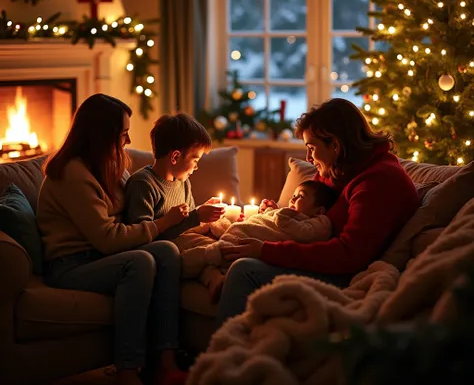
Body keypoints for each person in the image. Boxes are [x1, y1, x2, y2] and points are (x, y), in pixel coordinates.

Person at [216, 98, 420, 327]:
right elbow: (309, 218)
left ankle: (225, 355)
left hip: (345, 271)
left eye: (311, 148)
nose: (308, 158)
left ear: (335, 144)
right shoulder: (335, 170)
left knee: (245, 270)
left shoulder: (378, 181)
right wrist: (279, 213)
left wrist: (267, 251)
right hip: (319, 255)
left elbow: (349, 254)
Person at [37, 94, 189, 385]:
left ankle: (166, 360)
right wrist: (163, 223)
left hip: (97, 256)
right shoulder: (72, 173)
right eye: (123, 133)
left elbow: (127, 218)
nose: (128, 140)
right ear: (101, 134)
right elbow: (107, 238)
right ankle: (128, 369)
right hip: (69, 265)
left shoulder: (110, 165)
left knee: (167, 252)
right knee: (140, 261)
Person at [123, 113, 226, 302]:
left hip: (183, 244)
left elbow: (188, 225)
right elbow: (141, 237)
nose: (196, 167)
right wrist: (196, 216)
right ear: (175, 156)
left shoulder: (183, 183)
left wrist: (204, 215)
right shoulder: (142, 184)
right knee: (208, 249)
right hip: (160, 252)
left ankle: (214, 280)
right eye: (195, 160)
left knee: (213, 241)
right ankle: (217, 273)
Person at [179, 180, 337, 298]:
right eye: (293, 195)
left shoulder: (318, 223)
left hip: (240, 245)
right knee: (208, 261)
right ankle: (216, 280)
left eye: (300, 196)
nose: (293, 199)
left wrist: (281, 213)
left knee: (203, 256)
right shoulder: (291, 217)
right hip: (238, 235)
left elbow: (297, 231)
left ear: (319, 211)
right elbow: (272, 224)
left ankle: (176, 267)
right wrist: (270, 210)